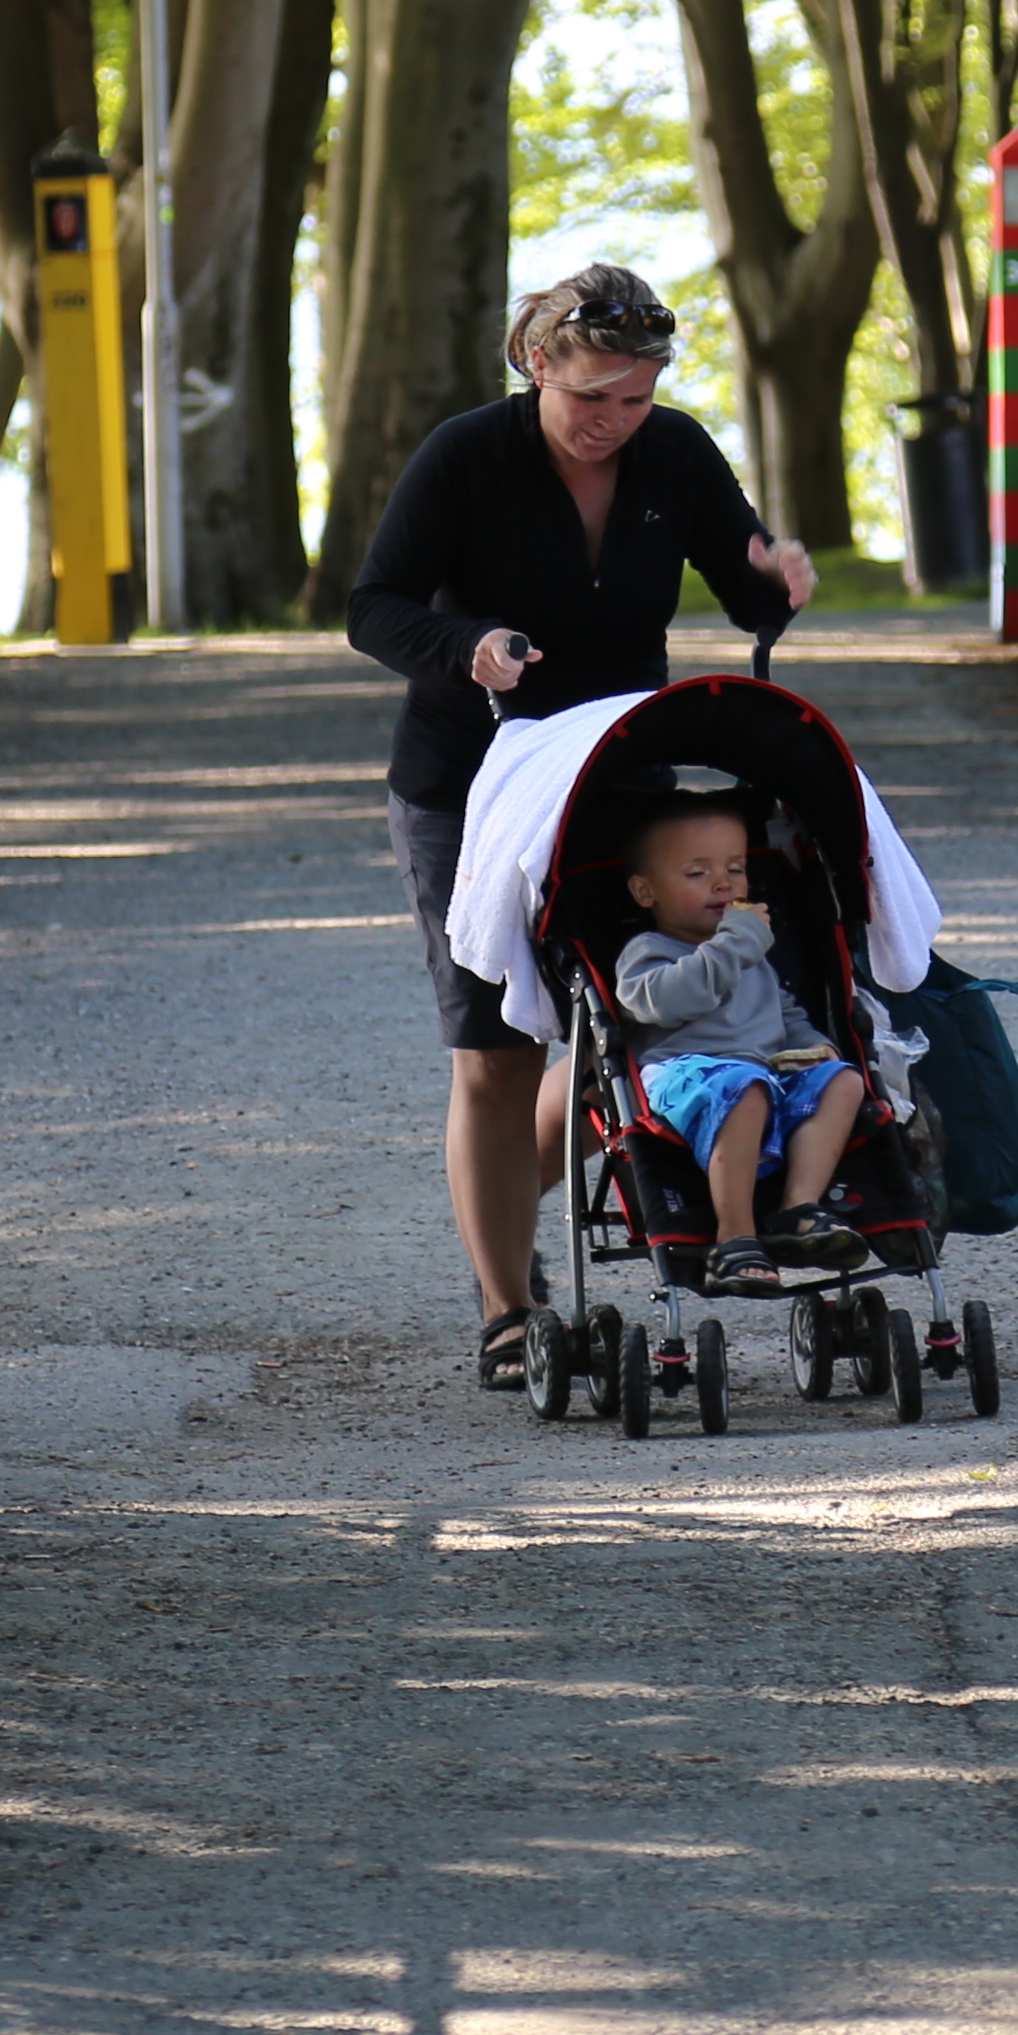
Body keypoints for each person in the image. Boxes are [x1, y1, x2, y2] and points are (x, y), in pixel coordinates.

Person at [350, 262, 813, 1385]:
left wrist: (776, 580)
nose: (613, 420)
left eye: (636, 396)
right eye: (591, 395)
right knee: (499, 1053)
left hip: (615, 777)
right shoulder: (467, 455)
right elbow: (375, 607)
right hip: (473, 781)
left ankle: (503, 1194)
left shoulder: (676, 452)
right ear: (537, 363)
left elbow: (739, 581)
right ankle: (508, 1308)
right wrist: (467, 649)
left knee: (628, 1022)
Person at [607, 799, 881, 1289]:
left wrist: (814, 1048)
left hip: (764, 1074)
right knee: (745, 1085)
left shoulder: (751, 954)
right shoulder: (648, 953)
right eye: (697, 873)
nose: (724, 883)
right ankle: (734, 1236)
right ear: (645, 892)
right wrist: (736, 944)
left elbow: (785, 1014)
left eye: (736, 868)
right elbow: (666, 1004)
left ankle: (798, 1207)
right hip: (687, 1076)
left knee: (843, 1082)